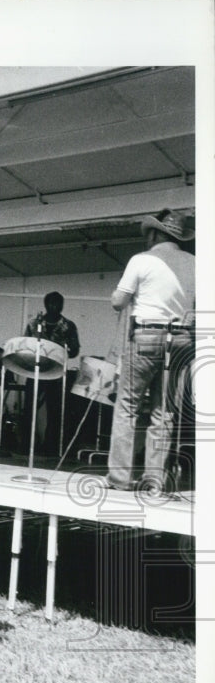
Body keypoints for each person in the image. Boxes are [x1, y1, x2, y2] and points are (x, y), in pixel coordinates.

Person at [107, 209, 195, 492]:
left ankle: (119, 479)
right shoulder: (196, 263)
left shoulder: (141, 260)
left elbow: (119, 302)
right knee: (165, 412)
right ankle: (155, 481)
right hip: (181, 339)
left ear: (155, 233)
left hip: (146, 336)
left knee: (127, 408)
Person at [21, 292, 80, 454]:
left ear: (62, 305)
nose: (55, 307)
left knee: (55, 410)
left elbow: (74, 351)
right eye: (51, 304)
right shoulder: (34, 324)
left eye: (58, 304)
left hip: (56, 371)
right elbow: (25, 344)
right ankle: (27, 445)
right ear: (46, 305)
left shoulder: (68, 326)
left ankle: (51, 446)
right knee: (29, 408)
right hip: (35, 369)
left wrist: (69, 347)